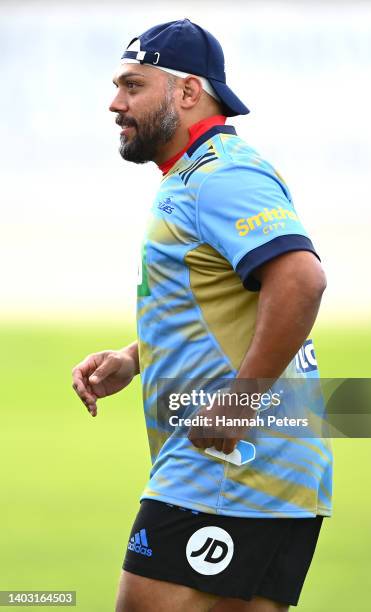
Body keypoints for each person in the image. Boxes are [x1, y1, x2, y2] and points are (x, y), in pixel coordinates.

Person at [72, 19, 333, 612]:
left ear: (188, 92)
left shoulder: (221, 174)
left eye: (133, 85)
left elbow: (300, 281)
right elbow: (230, 298)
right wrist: (136, 357)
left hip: (227, 466)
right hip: (261, 466)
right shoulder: (197, 174)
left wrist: (242, 398)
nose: (115, 103)